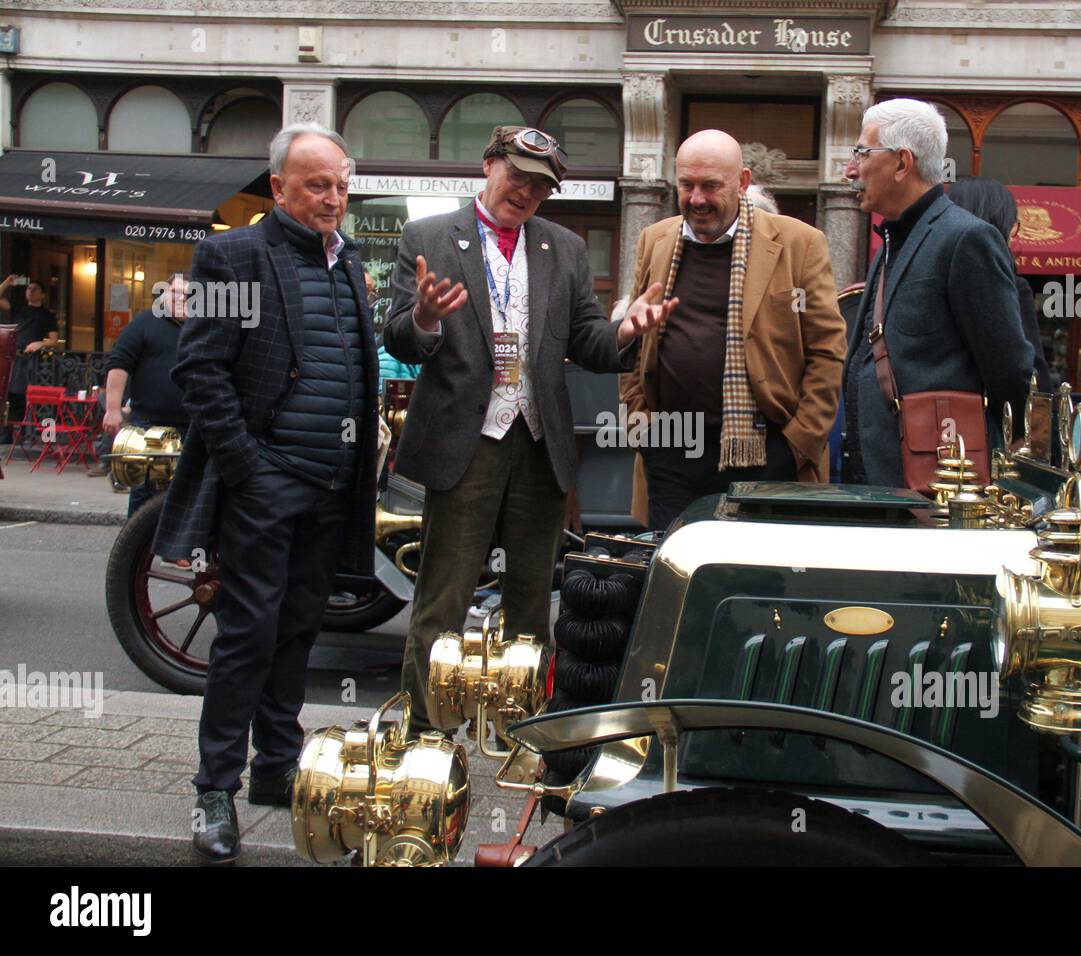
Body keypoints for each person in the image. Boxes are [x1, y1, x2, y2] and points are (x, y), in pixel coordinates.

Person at [384, 125, 671, 737]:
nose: (527, 190)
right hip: (466, 442)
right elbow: (398, 338)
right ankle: (422, 732)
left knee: (532, 603)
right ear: (489, 164)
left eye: (541, 185)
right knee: (444, 599)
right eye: (518, 174)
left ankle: (523, 733)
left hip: (540, 446)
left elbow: (589, 341)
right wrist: (425, 318)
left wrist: (627, 330)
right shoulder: (428, 236)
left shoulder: (562, 248)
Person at [153, 122, 378, 863]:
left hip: (331, 484)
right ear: (278, 186)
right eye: (317, 184)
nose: (333, 198)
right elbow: (202, 372)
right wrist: (249, 467)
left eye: (342, 184)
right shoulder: (234, 253)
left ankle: (277, 768)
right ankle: (214, 789)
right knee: (247, 636)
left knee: (297, 632)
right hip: (266, 482)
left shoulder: (348, 265)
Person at [621, 129, 844, 529]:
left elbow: (827, 349)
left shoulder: (799, 243)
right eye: (686, 185)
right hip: (670, 445)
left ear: (742, 182)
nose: (697, 199)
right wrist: (640, 425)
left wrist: (799, 443)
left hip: (768, 450)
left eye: (711, 186)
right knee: (674, 574)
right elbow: (634, 340)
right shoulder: (654, 240)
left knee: (759, 578)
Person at [843, 99, 1033, 487]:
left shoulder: (967, 238)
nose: (851, 169)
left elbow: (1009, 370)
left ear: (901, 163)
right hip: (883, 479)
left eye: (862, 153)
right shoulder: (895, 237)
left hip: (937, 487)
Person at [945, 176, 1053, 392]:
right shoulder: (1009, 286)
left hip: (925, 413)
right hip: (983, 418)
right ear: (1004, 226)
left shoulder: (928, 276)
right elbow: (1030, 375)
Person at [96, 272, 190, 510]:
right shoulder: (144, 323)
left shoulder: (206, 327)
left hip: (195, 425)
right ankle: (137, 546)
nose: (181, 298)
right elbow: (118, 365)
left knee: (189, 492)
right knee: (145, 492)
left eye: (188, 294)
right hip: (149, 424)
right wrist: (113, 409)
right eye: (175, 292)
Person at [2, 277, 58, 436]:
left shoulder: (46, 315)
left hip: (32, 361)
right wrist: (7, 282)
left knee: (26, 395)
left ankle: (29, 434)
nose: (30, 291)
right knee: (9, 395)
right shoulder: (19, 308)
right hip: (13, 357)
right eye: (28, 288)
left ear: (43, 295)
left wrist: (40, 344)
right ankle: (7, 435)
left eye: (34, 289)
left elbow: (54, 340)